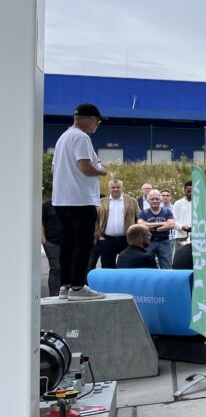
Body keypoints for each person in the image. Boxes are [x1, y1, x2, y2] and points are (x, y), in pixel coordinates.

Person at [51, 103, 108, 300]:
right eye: (97, 122)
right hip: (80, 200)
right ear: (90, 118)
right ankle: (78, 287)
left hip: (62, 199)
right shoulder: (81, 137)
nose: (97, 126)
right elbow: (84, 166)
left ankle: (65, 286)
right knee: (83, 244)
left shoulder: (63, 137)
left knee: (67, 243)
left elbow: (54, 168)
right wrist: (101, 171)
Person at [93, 178, 138, 269]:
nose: (116, 189)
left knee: (127, 265)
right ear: (109, 188)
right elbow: (95, 220)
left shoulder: (132, 201)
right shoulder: (101, 202)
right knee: (107, 267)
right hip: (107, 240)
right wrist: (98, 235)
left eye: (118, 187)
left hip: (127, 239)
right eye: (113, 187)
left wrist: (135, 236)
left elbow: (138, 218)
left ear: (122, 188)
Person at [139, 189, 176, 269]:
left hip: (164, 243)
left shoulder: (167, 212)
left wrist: (151, 228)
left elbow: (172, 224)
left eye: (157, 199)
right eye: (152, 199)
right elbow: (141, 225)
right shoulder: (143, 213)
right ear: (148, 201)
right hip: (149, 243)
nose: (154, 201)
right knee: (148, 266)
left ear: (160, 200)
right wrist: (162, 223)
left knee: (167, 266)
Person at [42, 198, 64, 297]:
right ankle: (54, 295)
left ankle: (63, 292)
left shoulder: (67, 203)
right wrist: (42, 238)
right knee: (56, 268)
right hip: (51, 242)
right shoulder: (47, 205)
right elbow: (40, 221)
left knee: (66, 268)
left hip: (66, 242)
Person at [172, 181, 193, 250]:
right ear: (184, 190)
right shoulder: (178, 203)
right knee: (180, 256)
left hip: (195, 236)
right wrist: (181, 227)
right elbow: (173, 220)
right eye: (188, 191)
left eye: (192, 191)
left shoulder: (198, 203)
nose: (190, 193)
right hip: (180, 236)